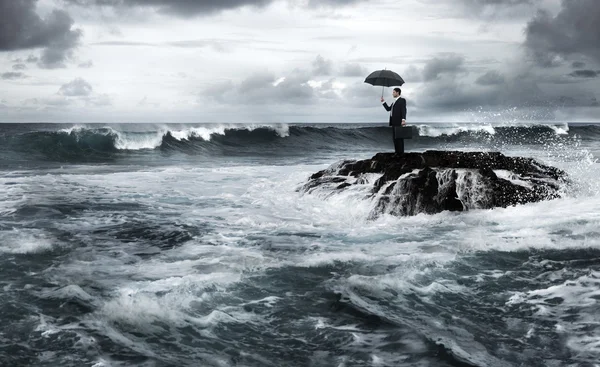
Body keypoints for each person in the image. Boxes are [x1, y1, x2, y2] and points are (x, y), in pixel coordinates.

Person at [381, 87, 407, 154]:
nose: (392, 93)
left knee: (400, 138)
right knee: (395, 138)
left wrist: (403, 119)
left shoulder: (402, 100)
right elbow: (388, 109)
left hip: (399, 122)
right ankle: (397, 152)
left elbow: (404, 110)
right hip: (393, 122)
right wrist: (383, 102)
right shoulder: (393, 102)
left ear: (397, 92)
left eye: (394, 92)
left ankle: (401, 153)